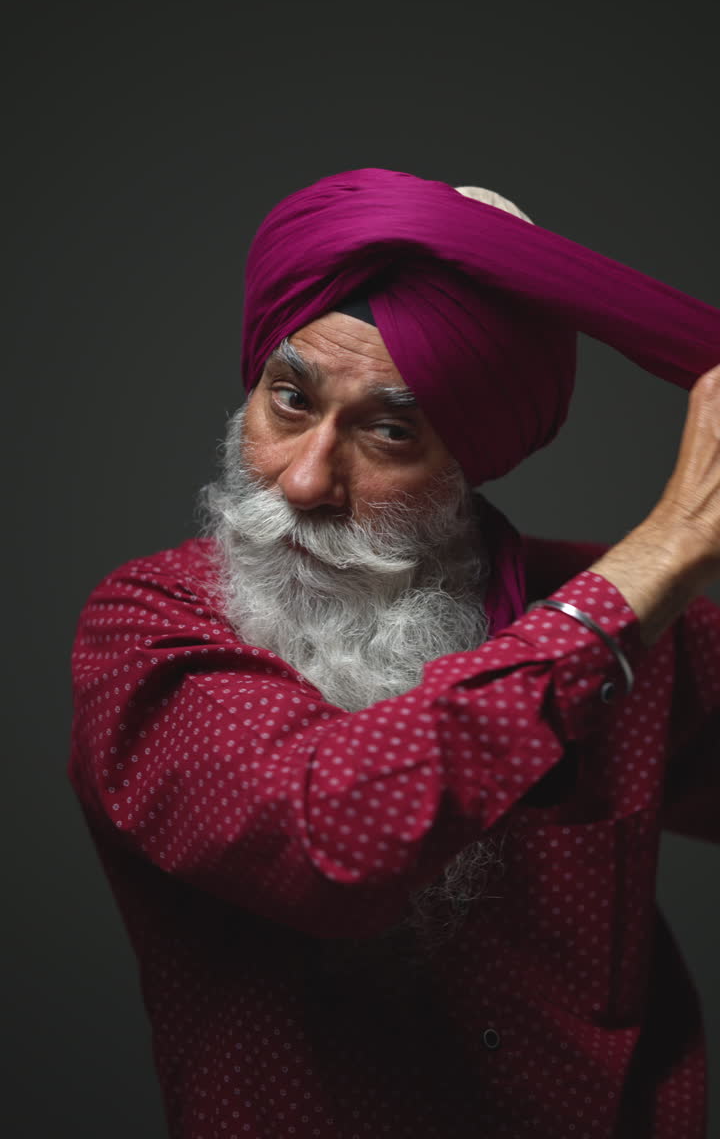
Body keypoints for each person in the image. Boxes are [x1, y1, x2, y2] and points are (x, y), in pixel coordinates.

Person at [69, 169, 720, 1139]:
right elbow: (327, 842)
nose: (303, 478)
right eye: (289, 398)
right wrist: (665, 553)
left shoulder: (633, 620)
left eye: (387, 430)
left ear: (474, 455)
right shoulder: (152, 623)